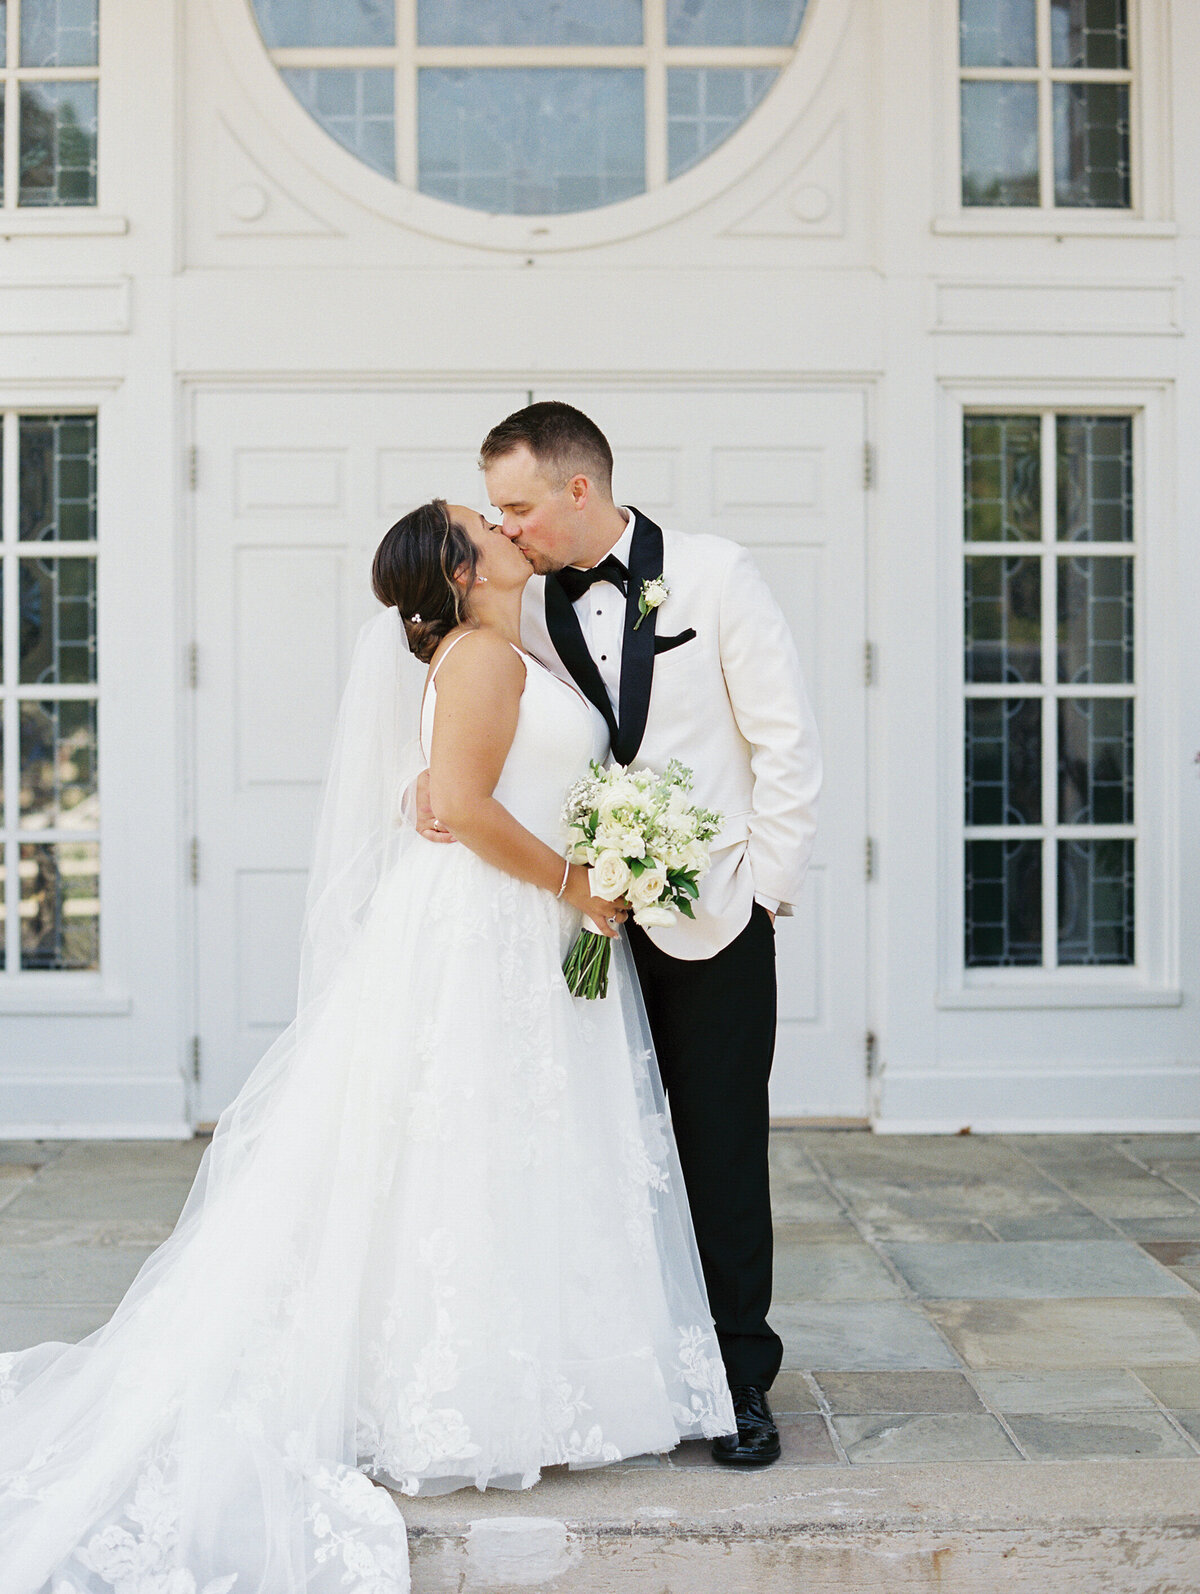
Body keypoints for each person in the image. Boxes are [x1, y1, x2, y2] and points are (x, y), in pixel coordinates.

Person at [0, 500, 734, 1593]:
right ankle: (460, 1388)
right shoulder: (484, 653)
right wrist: (583, 884)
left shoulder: (509, 643)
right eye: (480, 521)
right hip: (494, 922)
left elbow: (456, 786)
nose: (499, 524)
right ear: (456, 567)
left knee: (521, 1147)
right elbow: (471, 809)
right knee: (469, 1146)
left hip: (523, 925)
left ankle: (548, 1376)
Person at [420, 402, 821, 1467]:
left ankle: (740, 1381)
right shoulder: (528, 607)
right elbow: (504, 731)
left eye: (518, 505)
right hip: (576, 925)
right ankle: (642, 1368)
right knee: (603, 1153)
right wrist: (432, 770)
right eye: (495, 511)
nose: (505, 530)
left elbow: (785, 740)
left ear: (578, 489)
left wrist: (762, 891)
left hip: (709, 913)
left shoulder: (717, 574)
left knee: (717, 1148)